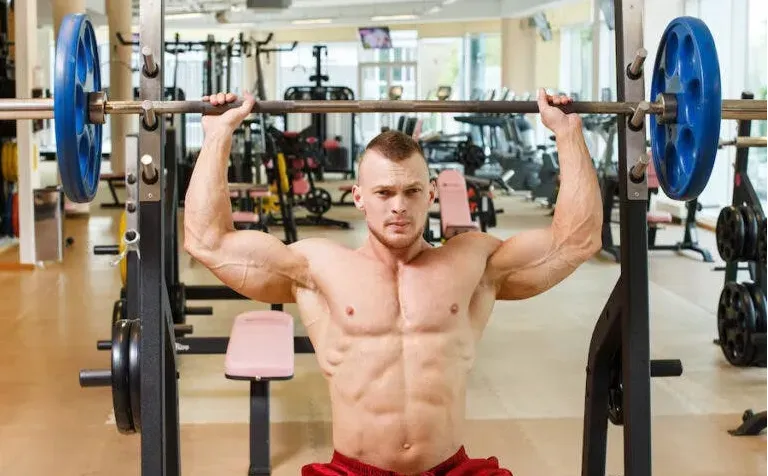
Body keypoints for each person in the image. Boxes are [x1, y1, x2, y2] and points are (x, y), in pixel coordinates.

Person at [184, 89, 603, 475]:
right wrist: (218, 134)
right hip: (352, 469)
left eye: (412, 191)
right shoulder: (317, 268)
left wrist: (567, 135)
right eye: (384, 193)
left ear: (432, 193)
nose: (399, 206)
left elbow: (576, 241)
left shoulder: (474, 263)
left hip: (449, 469)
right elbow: (209, 242)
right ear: (358, 196)